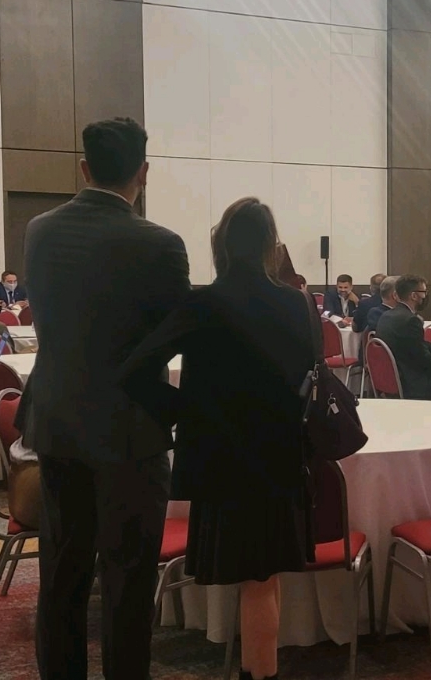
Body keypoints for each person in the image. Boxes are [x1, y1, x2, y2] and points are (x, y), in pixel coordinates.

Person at [22, 117, 190, 680]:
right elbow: (176, 334)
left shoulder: (39, 230)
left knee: (61, 573)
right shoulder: (161, 244)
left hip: (58, 421)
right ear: (144, 172)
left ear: (83, 169)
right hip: (130, 429)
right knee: (127, 581)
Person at [120, 198, 316, 680]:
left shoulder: (204, 303)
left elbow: (134, 370)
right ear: (271, 245)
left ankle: (259, 673)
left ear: (220, 245)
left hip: (223, 458)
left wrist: (183, 410)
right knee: (264, 576)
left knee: (255, 578)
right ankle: (260, 670)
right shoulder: (295, 301)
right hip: (281, 453)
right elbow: (306, 372)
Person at [376, 275, 431, 400]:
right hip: (414, 385)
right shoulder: (411, 320)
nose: (425, 296)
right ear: (413, 296)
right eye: (424, 292)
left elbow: (418, 346)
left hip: (394, 380)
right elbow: (423, 358)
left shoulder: (386, 316)